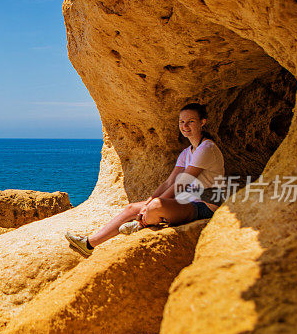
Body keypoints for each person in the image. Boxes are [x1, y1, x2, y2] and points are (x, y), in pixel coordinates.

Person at [66, 102, 225, 257]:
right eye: (181, 122)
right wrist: (148, 202)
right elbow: (169, 183)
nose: (185, 126)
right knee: (132, 208)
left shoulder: (206, 148)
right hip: (188, 202)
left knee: (156, 206)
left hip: (206, 206)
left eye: (191, 122)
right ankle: (88, 244)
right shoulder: (186, 152)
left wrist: (152, 205)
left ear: (202, 122)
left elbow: (182, 184)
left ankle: (141, 224)